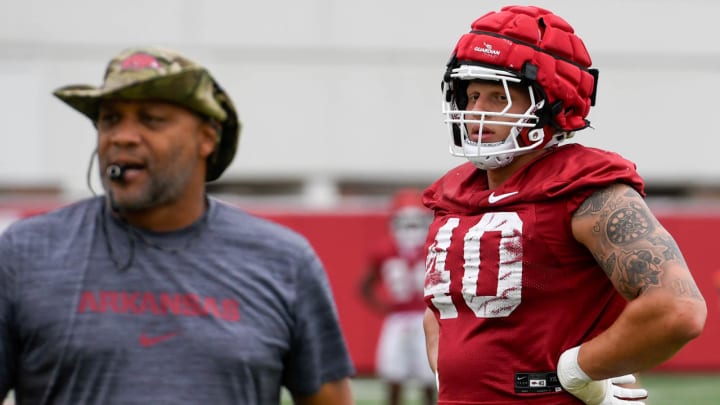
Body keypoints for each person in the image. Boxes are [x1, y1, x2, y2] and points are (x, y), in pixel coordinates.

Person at [0, 47, 355, 405]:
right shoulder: (25, 252)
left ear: (207, 138)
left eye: (151, 119)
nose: (122, 136)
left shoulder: (284, 261)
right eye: (109, 119)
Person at [421, 5, 707, 405]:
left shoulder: (585, 190)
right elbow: (441, 310)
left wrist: (580, 371)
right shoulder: (454, 196)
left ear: (549, 101)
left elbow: (677, 309)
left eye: (498, 96)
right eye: (471, 95)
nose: (475, 112)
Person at [359, 189, 436, 405]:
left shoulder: (433, 247)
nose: (411, 229)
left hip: (426, 316)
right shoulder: (384, 249)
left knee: (428, 377)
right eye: (406, 222)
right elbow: (364, 285)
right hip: (398, 319)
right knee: (393, 376)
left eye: (415, 222)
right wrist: (385, 308)